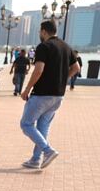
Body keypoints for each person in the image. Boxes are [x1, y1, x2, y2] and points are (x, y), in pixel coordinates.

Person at [19, 20, 81, 169]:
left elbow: (38, 69)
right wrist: (63, 79)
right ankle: (35, 160)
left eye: (40, 32)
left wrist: (27, 89)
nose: (40, 34)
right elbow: (76, 68)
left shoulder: (44, 46)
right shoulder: (66, 47)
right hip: (58, 95)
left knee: (26, 124)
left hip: (42, 94)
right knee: (42, 128)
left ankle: (47, 151)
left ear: (44, 31)